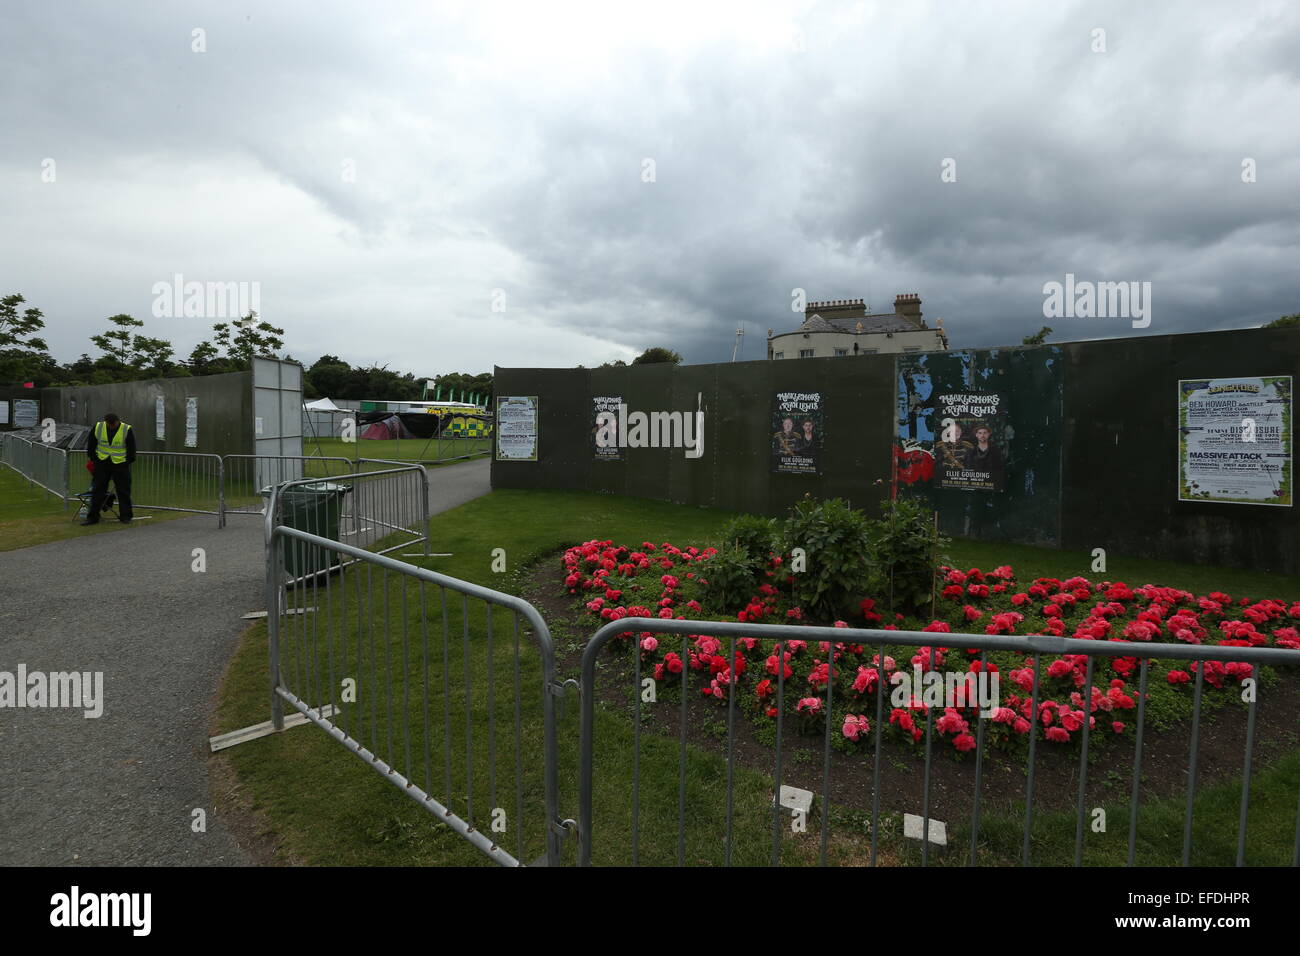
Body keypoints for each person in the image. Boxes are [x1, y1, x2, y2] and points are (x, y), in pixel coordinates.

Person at [83, 412, 136, 525]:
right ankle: (92, 517)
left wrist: (126, 462)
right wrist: (95, 460)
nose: (111, 426)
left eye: (114, 424)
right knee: (98, 491)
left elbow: (132, 449)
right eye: (109, 424)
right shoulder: (98, 427)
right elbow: (91, 445)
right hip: (102, 464)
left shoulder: (126, 429)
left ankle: (126, 516)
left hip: (120, 465)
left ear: (118, 421)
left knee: (123, 491)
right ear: (105, 422)